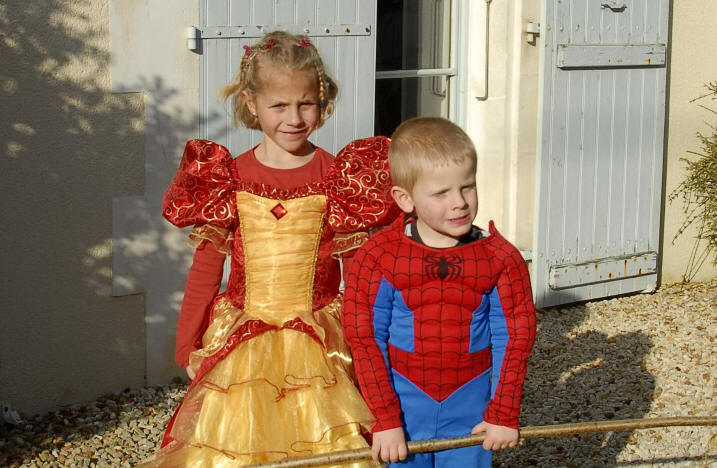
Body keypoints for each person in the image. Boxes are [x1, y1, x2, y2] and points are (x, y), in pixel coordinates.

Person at [139, 31, 398, 467]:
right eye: (279, 105)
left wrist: (371, 347)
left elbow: (360, 277)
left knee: (324, 443)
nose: (293, 118)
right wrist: (187, 346)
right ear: (251, 103)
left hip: (319, 344)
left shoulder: (339, 178)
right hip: (243, 343)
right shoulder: (229, 179)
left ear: (322, 101)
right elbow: (206, 271)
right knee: (236, 444)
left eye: (306, 104)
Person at [342, 117, 537, 467]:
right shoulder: (377, 257)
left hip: (471, 405)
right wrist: (385, 419)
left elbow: (514, 338)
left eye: (467, 187)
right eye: (441, 193)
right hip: (404, 405)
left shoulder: (501, 258)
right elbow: (365, 338)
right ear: (405, 199)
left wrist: (503, 413)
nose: (459, 202)